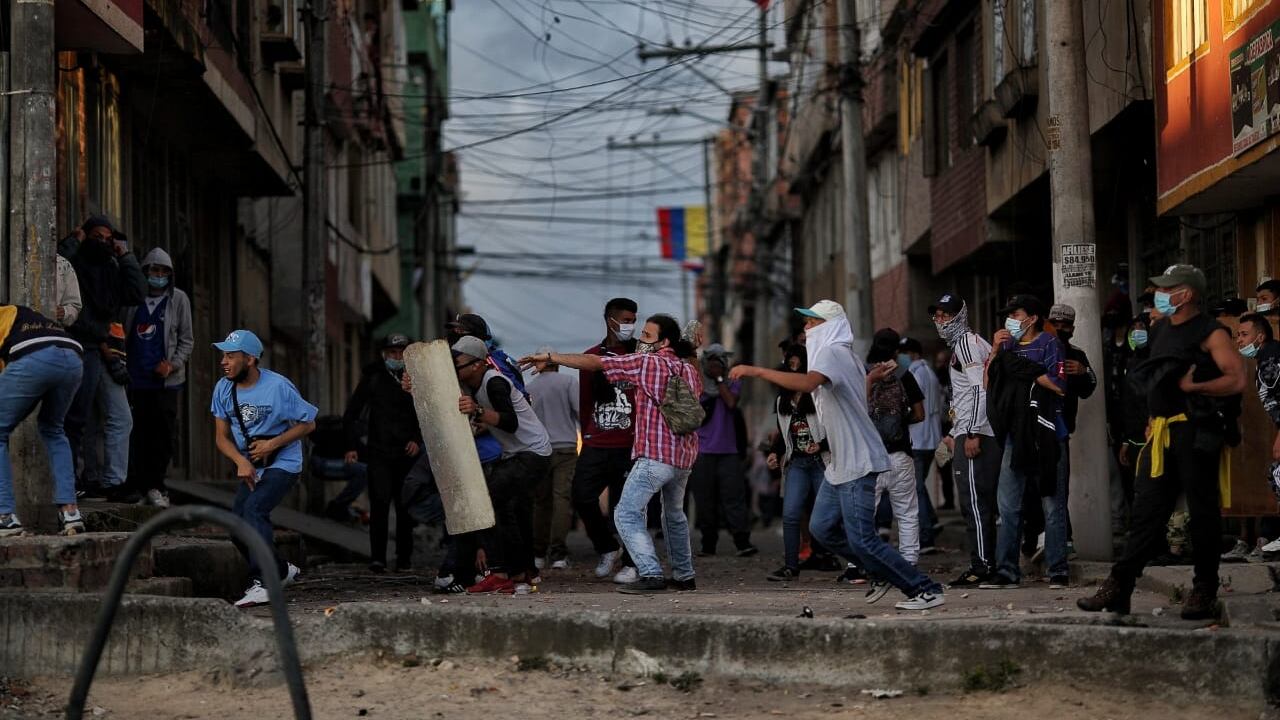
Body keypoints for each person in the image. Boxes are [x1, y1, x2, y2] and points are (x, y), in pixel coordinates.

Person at [730, 301, 946, 610]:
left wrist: (755, 370)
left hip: (857, 461)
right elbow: (858, 393)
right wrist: (870, 381)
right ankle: (880, 570)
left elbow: (807, 384)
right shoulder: (846, 357)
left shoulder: (832, 354)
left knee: (862, 540)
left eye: (812, 323)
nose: (806, 329)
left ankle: (924, 588)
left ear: (829, 326)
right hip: (840, 464)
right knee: (822, 529)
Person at [1079, 264, 1244, 620]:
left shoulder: (1211, 332)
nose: (1160, 295)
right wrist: (1150, 419)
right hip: (1161, 435)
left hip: (1196, 432)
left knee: (1202, 513)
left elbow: (1236, 378)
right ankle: (1119, 587)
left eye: (1168, 289)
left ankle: (1204, 589)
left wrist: (1195, 387)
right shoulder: (1160, 330)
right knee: (1146, 513)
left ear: (1187, 294)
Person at [521, 314, 702, 595]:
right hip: (684, 458)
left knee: (626, 513)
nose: (640, 339)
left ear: (663, 342)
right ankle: (684, 575)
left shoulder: (647, 363)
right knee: (674, 515)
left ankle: (651, 573)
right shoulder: (688, 369)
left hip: (655, 456)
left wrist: (552, 357)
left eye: (647, 335)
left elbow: (597, 363)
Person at [210, 329, 316, 608]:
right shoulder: (223, 388)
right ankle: (281, 570)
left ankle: (265, 582)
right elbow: (221, 437)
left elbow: (309, 424)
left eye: (231, 356)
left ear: (250, 359)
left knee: (255, 510)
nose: (224, 361)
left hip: (284, 462)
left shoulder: (279, 387)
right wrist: (241, 461)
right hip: (252, 464)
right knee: (236, 528)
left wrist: (272, 445)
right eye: (223, 355)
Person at [453, 336, 553, 594]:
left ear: (477, 364)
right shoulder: (472, 385)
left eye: (459, 364)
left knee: (486, 502)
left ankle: (500, 573)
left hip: (532, 454)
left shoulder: (494, 382)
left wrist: (477, 412)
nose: (456, 370)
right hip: (518, 454)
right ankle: (518, 571)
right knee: (507, 511)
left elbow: (510, 422)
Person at [981, 294, 1067, 590]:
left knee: (1052, 505)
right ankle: (1006, 571)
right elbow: (989, 386)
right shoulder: (1005, 348)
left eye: (1014, 314)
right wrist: (995, 350)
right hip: (1013, 438)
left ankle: (1058, 569)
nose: (1010, 321)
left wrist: (1027, 372)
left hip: (1048, 433)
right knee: (1008, 508)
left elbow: (1058, 385)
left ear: (1031, 317)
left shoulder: (1049, 344)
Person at [59, 217, 146, 501]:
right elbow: (59, 265)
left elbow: (136, 292)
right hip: (75, 345)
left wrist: (126, 256)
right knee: (75, 419)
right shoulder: (76, 265)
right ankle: (72, 482)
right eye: (96, 237)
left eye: (107, 239)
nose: (103, 243)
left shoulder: (110, 269)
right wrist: (76, 239)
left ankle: (107, 482)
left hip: (101, 352)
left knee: (108, 418)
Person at [930, 294, 998, 587]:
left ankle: (982, 565)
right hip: (967, 431)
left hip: (975, 434)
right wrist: (953, 432)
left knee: (974, 502)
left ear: (960, 315)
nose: (940, 321)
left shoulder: (968, 344)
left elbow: (978, 391)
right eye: (938, 315)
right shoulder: (966, 345)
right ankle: (984, 562)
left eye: (946, 315)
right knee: (977, 502)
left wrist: (971, 432)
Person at [0, 305, 86, 536]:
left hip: (35, 356)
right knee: (53, 429)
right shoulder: (22, 313)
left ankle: (4, 516)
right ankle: (70, 512)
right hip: (73, 357)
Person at [573, 298, 641, 583]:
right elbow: (585, 402)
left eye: (633, 320)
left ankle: (632, 562)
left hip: (630, 444)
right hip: (597, 442)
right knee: (581, 496)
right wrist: (588, 434)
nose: (630, 325)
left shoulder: (640, 355)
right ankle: (607, 547)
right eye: (625, 320)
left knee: (627, 508)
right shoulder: (591, 357)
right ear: (610, 321)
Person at [342, 334, 422, 573]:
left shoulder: (418, 378)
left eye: (401, 353)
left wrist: (417, 440)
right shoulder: (373, 377)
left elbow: (429, 412)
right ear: (384, 355)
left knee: (405, 507)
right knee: (379, 505)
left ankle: (404, 558)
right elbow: (351, 414)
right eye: (392, 353)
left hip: (407, 454)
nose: (397, 358)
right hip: (378, 452)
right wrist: (351, 446)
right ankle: (378, 558)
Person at [124, 248, 193, 508]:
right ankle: (137, 486)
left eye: (164, 271)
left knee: (162, 435)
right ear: (145, 272)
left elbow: (187, 340)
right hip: (136, 379)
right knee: (137, 433)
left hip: (166, 382)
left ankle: (157, 485)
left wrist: (173, 365)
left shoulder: (179, 300)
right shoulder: (134, 299)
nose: (159, 275)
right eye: (154, 270)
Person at [765, 344, 832, 581]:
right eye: (789, 365)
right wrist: (775, 453)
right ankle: (791, 566)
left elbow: (834, 428)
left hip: (821, 461)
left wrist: (821, 446)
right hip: (797, 463)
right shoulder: (782, 400)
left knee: (825, 515)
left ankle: (831, 556)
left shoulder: (819, 394)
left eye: (797, 364)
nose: (793, 369)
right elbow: (783, 434)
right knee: (791, 514)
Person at [690, 343, 756, 557]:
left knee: (734, 498)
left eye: (719, 362)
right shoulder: (697, 383)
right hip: (702, 451)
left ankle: (742, 541)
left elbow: (730, 403)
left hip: (728, 451)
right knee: (704, 500)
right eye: (711, 362)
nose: (715, 365)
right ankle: (708, 543)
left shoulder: (732, 382)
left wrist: (719, 380)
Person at [865, 328, 925, 564]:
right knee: (907, 513)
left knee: (863, 513)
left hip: (870, 456)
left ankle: (858, 565)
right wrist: (900, 421)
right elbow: (919, 414)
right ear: (896, 350)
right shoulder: (905, 375)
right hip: (900, 453)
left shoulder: (864, 373)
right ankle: (909, 561)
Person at [1044, 304, 1097, 557]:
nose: (1061, 329)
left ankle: (1063, 541)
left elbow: (1089, 387)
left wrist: (1083, 373)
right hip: (1033, 428)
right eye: (1056, 324)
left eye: (1066, 326)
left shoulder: (1076, 355)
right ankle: (1035, 538)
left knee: (1058, 488)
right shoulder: (1037, 348)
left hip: (1060, 431)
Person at [526, 346, 580, 571]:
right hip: (566, 447)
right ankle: (558, 554)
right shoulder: (568, 382)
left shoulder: (529, 387)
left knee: (540, 502)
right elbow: (580, 412)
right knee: (561, 501)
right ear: (556, 362)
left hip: (539, 450)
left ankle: (538, 553)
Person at [1235, 313, 1280, 552]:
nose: (1239, 341)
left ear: (1260, 336)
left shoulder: (1272, 359)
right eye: (1237, 335)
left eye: (1244, 335)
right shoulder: (1265, 357)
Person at [901, 336, 943, 552]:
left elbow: (911, 407)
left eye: (903, 353)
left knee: (915, 488)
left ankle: (926, 533)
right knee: (918, 486)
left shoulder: (915, 375)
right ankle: (932, 521)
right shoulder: (929, 373)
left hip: (918, 439)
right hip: (930, 438)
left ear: (913, 354)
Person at [55, 255, 82, 329]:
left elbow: (74, 306)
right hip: (21, 331)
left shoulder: (63, 264)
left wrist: (65, 312)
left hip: (51, 332)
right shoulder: (20, 260)